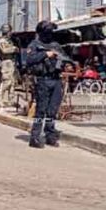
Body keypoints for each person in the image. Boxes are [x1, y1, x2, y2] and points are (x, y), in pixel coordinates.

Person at [24, 20, 69, 148]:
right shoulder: (34, 45)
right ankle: (35, 137)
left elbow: (66, 58)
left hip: (56, 80)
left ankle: (50, 136)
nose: (49, 35)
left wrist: (65, 62)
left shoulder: (55, 45)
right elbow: (29, 60)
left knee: (52, 110)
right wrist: (45, 54)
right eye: (47, 32)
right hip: (43, 80)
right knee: (41, 110)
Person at [0, 24, 20, 108]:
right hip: (6, 62)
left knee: (12, 82)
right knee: (7, 81)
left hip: (12, 62)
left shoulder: (9, 41)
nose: (11, 33)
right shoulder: (1, 42)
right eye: (9, 31)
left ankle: (10, 100)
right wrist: (14, 49)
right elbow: (4, 51)